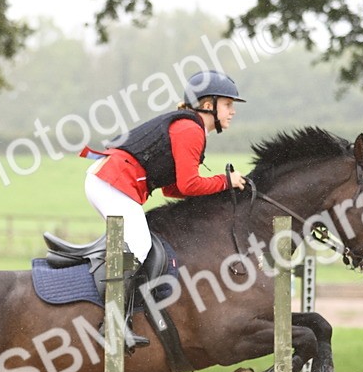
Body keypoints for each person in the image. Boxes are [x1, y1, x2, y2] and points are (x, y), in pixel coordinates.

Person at [80, 70, 248, 350]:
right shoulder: (191, 129)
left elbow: (173, 189)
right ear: (208, 104)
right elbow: (190, 183)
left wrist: (219, 189)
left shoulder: (190, 127)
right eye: (228, 104)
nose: (232, 112)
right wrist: (225, 180)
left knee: (137, 246)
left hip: (109, 181)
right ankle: (111, 324)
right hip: (111, 182)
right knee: (139, 245)